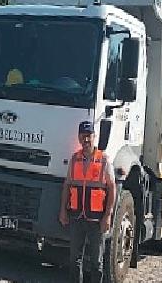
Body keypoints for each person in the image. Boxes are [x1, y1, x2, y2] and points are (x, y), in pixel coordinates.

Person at [59, 121, 117, 283]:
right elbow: (67, 186)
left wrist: (108, 216)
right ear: (78, 138)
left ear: (94, 137)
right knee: (75, 259)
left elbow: (112, 188)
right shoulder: (75, 159)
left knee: (96, 262)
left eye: (89, 136)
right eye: (83, 136)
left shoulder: (104, 160)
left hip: (96, 220)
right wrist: (63, 210)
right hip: (77, 217)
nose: (86, 140)